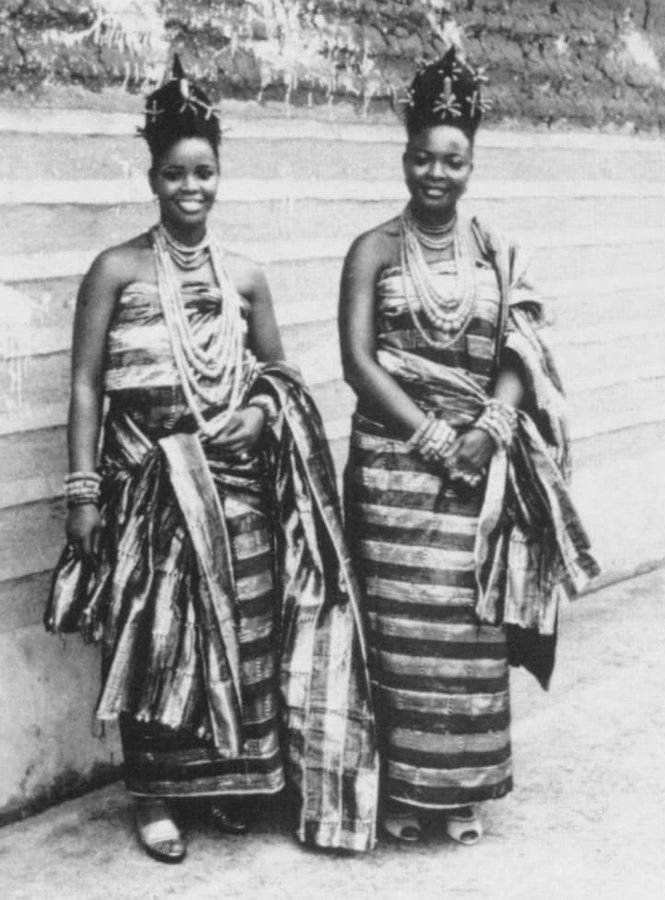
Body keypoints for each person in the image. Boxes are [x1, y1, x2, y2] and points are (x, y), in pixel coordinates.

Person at [46, 57, 377, 863]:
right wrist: (84, 492)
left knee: (245, 638)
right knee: (155, 641)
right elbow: (87, 386)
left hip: (236, 495)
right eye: (173, 174)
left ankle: (230, 784)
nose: (190, 188)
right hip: (148, 491)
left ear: (219, 175)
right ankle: (156, 797)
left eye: (203, 173)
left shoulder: (248, 279)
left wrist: (260, 414)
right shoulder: (115, 271)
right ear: (152, 177)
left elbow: (277, 381)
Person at [339, 47, 599, 845]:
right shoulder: (373, 249)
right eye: (422, 156)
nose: (435, 174)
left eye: (452, 159)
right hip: (391, 471)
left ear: (471, 162)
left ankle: (455, 794)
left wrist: (487, 433)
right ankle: (403, 797)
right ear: (404, 156)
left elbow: (523, 353)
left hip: (473, 473)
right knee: (395, 636)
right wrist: (428, 436)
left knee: (464, 633)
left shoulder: (493, 250)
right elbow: (356, 360)